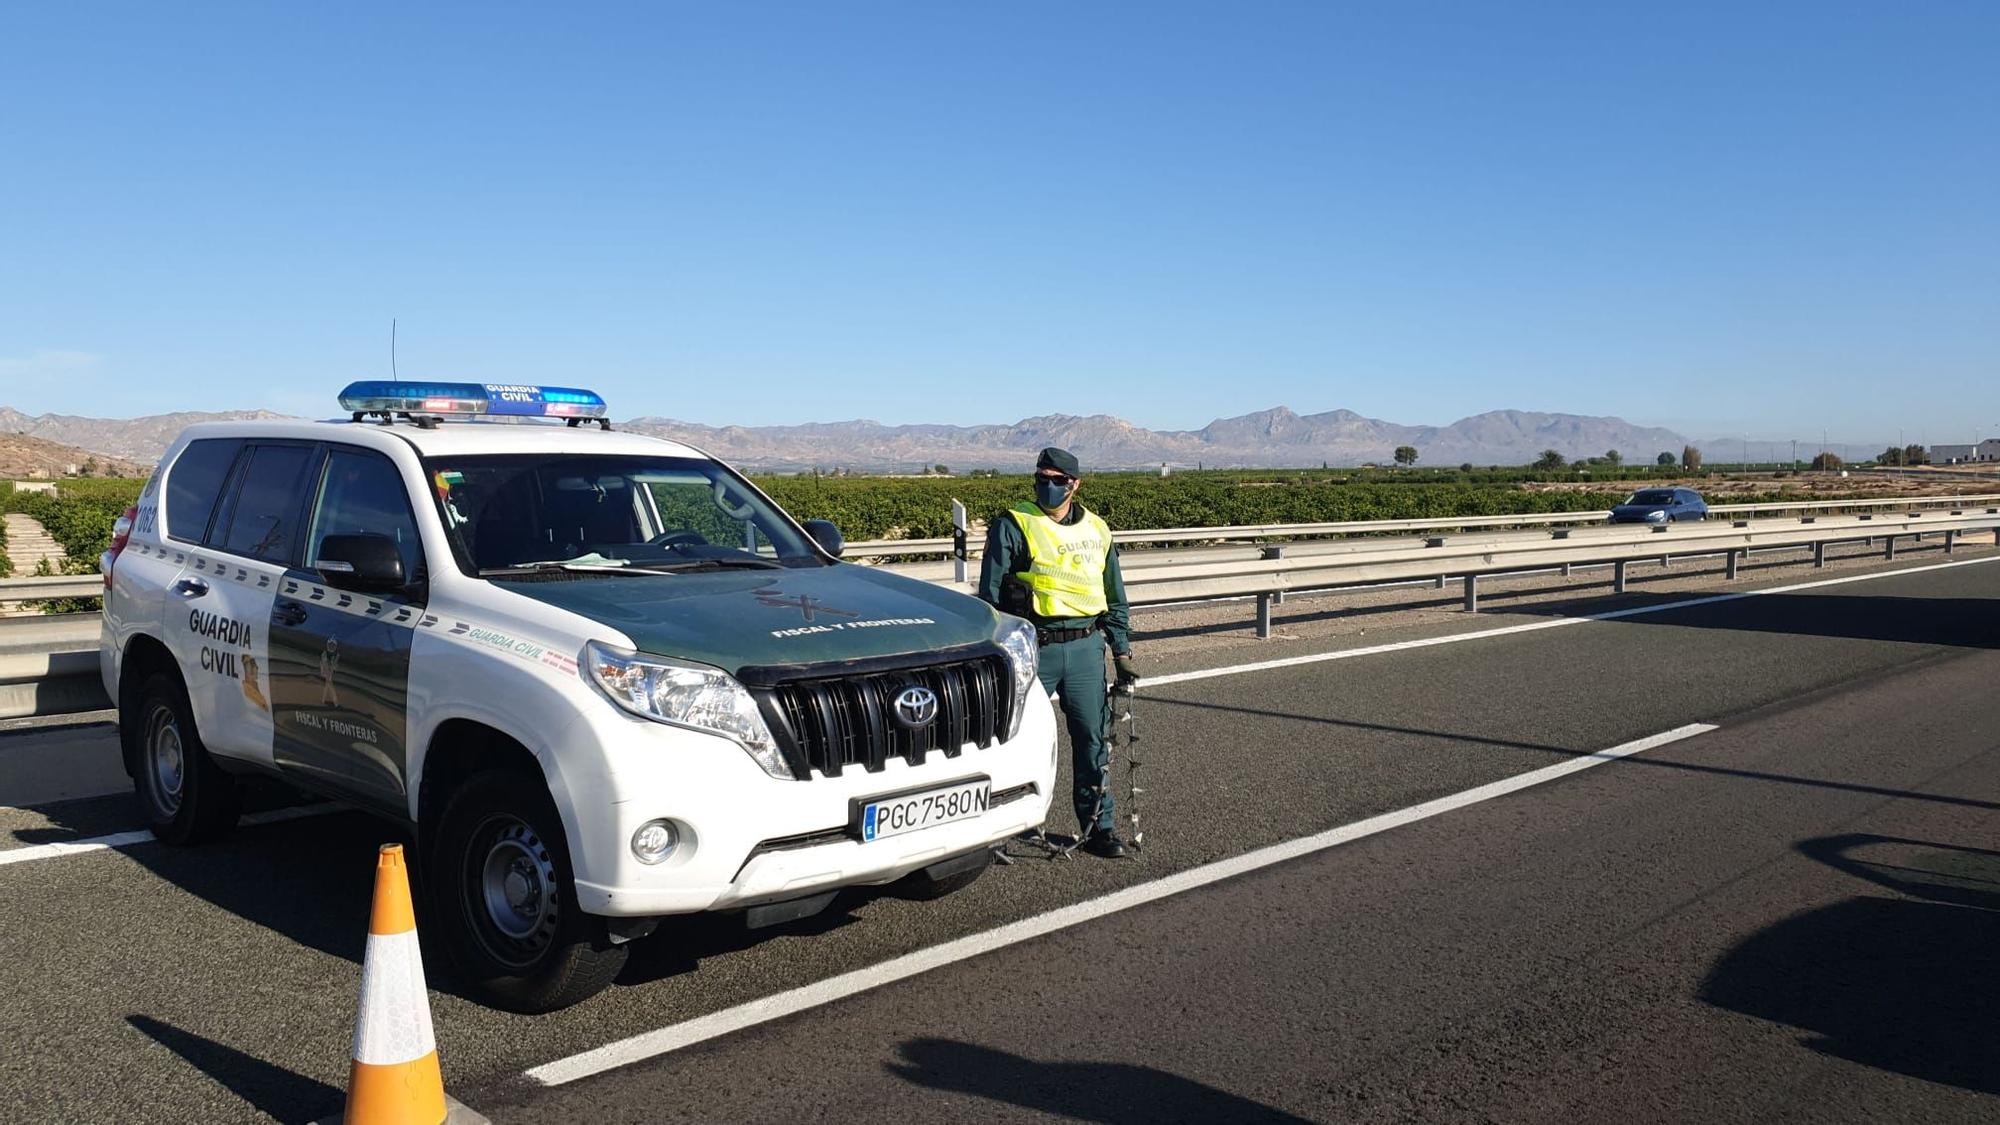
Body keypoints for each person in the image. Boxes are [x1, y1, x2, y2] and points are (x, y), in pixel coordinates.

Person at [977, 446, 1139, 858]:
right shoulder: (1013, 524)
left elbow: (1114, 595)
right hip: (1033, 648)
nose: (1048, 487)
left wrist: (1121, 652)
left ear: (1075, 484)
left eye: (1057, 480)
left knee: (1092, 742)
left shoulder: (1098, 531)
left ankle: (1099, 828)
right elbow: (990, 597)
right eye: (1041, 479)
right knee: (1009, 739)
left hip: (1086, 648)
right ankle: (993, 832)